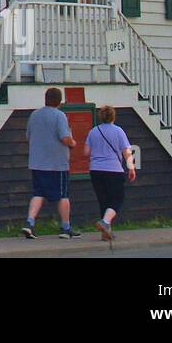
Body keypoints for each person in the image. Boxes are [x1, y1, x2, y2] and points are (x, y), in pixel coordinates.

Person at [22, 87, 80, 239]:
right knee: (63, 195)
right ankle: (66, 228)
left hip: (37, 162)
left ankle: (30, 223)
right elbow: (64, 137)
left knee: (38, 193)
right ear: (59, 101)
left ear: (45, 99)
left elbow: (28, 136)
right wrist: (73, 143)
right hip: (57, 163)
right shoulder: (59, 115)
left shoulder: (34, 114)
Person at [83, 105, 136, 241]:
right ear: (113, 116)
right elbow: (126, 151)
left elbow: (86, 152)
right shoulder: (118, 131)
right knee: (117, 199)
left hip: (95, 170)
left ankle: (106, 233)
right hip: (113, 169)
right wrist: (131, 168)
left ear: (100, 117)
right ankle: (105, 223)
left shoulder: (93, 131)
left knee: (104, 200)